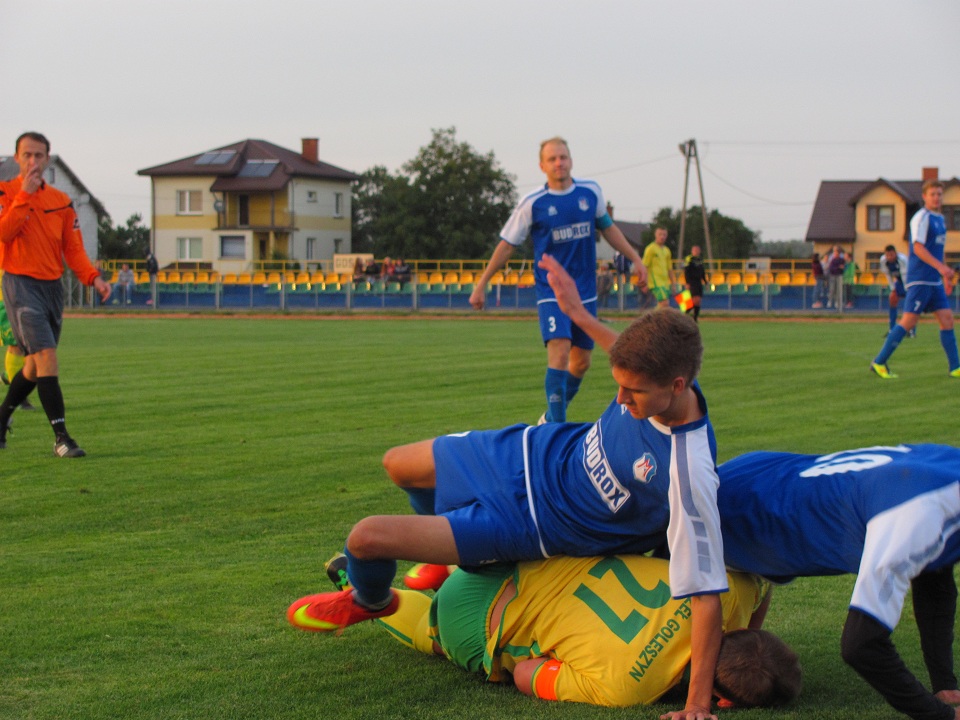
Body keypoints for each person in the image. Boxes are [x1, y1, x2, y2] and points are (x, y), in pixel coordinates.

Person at [289, 254, 728, 720]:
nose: (619, 399)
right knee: (398, 465)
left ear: (677, 385)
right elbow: (624, 352)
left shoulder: (688, 470)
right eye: (617, 385)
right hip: (524, 451)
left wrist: (697, 704)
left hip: (528, 524)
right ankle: (449, 556)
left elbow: (705, 594)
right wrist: (577, 314)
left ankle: (370, 600)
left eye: (632, 392)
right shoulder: (651, 376)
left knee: (365, 538)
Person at [717, 443, 960, 720]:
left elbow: (934, 569)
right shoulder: (914, 516)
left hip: (759, 474)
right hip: (734, 517)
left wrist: (944, 685)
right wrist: (942, 716)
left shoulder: (949, 466)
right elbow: (861, 645)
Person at [365, 555, 800, 709]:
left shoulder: (735, 589)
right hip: (476, 616)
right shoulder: (631, 687)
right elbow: (525, 674)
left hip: (517, 552)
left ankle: (443, 564)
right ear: (721, 700)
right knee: (434, 634)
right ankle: (361, 589)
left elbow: (763, 591)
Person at [468, 137, 646, 423]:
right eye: (552, 159)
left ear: (571, 160)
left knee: (582, 362)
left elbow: (609, 229)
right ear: (542, 166)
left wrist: (636, 259)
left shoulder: (591, 192)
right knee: (560, 353)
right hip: (552, 291)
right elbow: (507, 245)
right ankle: (556, 431)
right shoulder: (532, 204)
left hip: (585, 292)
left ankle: (550, 419)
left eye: (563, 157)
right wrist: (482, 283)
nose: (558, 163)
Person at [0, 131, 111, 457]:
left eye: (39, 155)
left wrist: (93, 278)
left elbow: (73, 249)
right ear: (17, 158)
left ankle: (2, 416)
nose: (33, 161)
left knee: (35, 365)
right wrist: (25, 195)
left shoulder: (61, 201)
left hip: (52, 288)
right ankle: (62, 438)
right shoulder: (6, 193)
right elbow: (4, 233)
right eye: (27, 155)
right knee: (47, 356)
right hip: (19, 284)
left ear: (47, 158)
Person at [871, 180, 960, 379]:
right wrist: (941, 268)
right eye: (933, 194)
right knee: (909, 321)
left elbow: (938, 251)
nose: (937, 197)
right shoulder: (921, 218)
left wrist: (944, 275)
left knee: (947, 320)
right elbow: (918, 248)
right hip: (920, 279)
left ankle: (955, 367)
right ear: (925, 197)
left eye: (939, 194)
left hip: (934, 280)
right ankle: (879, 362)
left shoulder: (940, 220)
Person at [643, 227, 677, 309]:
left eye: (664, 235)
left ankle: (653, 320)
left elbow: (669, 269)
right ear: (655, 235)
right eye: (660, 234)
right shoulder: (650, 249)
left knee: (663, 305)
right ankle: (651, 320)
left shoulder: (667, 250)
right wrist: (644, 282)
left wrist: (673, 284)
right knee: (664, 303)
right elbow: (644, 266)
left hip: (665, 282)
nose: (662, 237)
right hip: (655, 281)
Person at [880, 244, 910, 336]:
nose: (889, 257)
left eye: (891, 255)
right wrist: (893, 289)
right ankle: (892, 329)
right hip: (899, 281)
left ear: (895, 254)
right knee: (892, 299)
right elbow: (888, 275)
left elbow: (905, 276)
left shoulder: (903, 260)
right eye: (887, 255)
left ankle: (910, 330)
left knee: (910, 304)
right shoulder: (883, 260)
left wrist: (908, 290)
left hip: (909, 280)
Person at [682, 245, 707, 322]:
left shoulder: (700, 260)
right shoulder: (689, 259)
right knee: (695, 300)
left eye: (697, 250)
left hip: (698, 282)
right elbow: (686, 271)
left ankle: (694, 318)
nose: (696, 252)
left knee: (698, 301)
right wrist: (687, 283)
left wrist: (705, 281)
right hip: (692, 282)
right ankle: (684, 314)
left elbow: (702, 271)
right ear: (692, 251)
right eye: (694, 250)